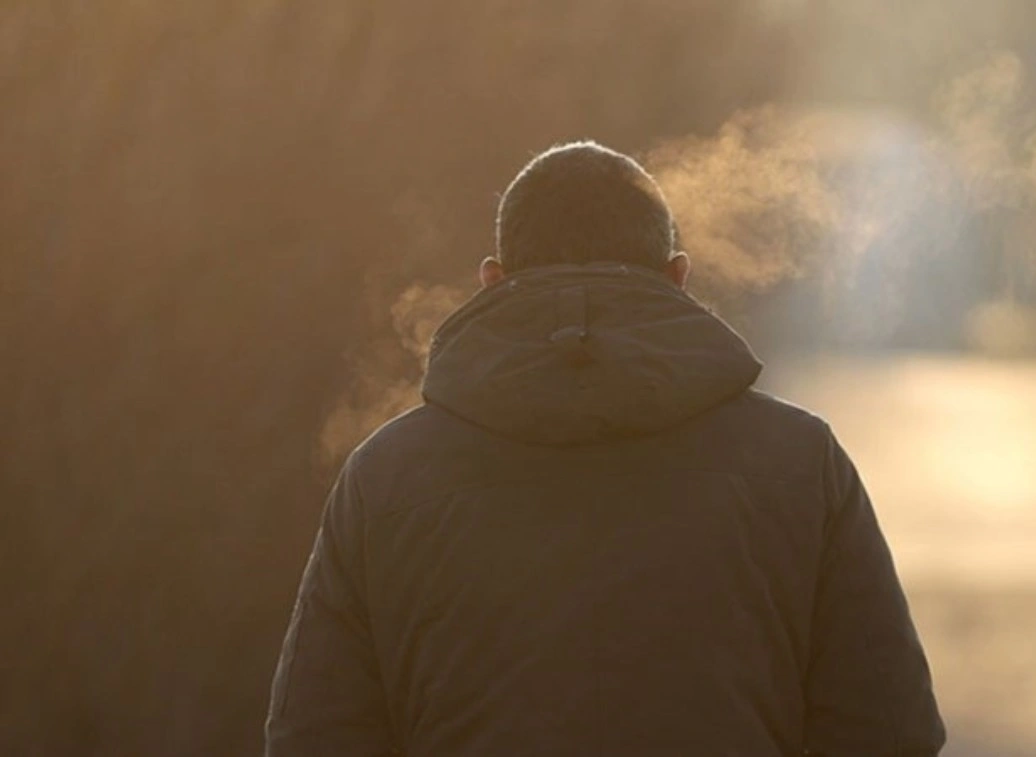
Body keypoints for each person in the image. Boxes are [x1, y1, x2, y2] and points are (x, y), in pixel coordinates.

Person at [265, 141, 945, 756]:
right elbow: (887, 733)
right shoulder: (800, 462)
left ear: (493, 278)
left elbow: (315, 737)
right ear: (677, 276)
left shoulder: (385, 479)